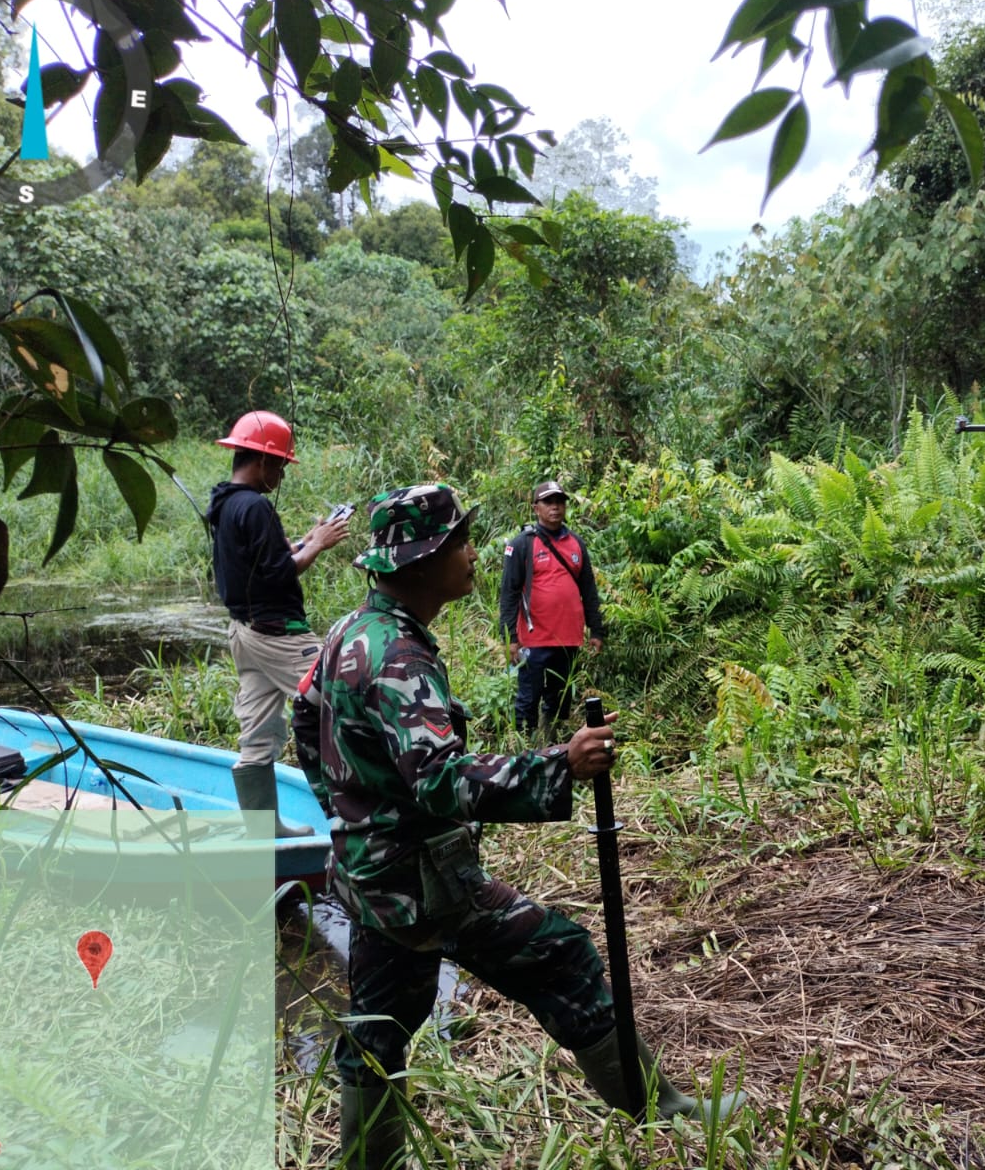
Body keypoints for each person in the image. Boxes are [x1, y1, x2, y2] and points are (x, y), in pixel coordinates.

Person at [292, 484, 742, 1168]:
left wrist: (351, 819)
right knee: (560, 955)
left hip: (371, 877)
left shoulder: (349, 634)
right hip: (424, 885)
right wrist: (560, 763)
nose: (474, 554)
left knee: (379, 1026)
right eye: (460, 543)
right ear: (421, 562)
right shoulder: (398, 657)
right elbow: (441, 779)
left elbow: (304, 720)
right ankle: (658, 1109)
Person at [206, 409, 349, 837]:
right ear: (263, 461)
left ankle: (264, 831)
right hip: (276, 633)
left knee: (258, 730)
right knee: (344, 699)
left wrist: (301, 543)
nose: (282, 475)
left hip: (244, 633)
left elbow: (259, 564)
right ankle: (360, 814)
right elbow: (277, 574)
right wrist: (318, 545)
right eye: (281, 465)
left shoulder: (226, 502)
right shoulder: (256, 507)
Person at [499, 479, 607, 740]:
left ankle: (555, 744)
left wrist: (596, 630)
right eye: (548, 502)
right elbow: (509, 593)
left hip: (569, 638)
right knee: (528, 696)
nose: (555, 507)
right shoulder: (523, 544)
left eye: (559, 501)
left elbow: (589, 590)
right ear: (536, 508)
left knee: (560, 697)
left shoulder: (576, 544)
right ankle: (524, 747)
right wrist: (510, 638)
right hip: (534, 639)